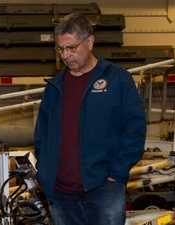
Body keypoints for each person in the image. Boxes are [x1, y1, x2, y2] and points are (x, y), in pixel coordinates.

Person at [34, 13, 146, 225]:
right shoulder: (55, 86)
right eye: (61, 49)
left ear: (90, 42)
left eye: (72, 48)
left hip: (103, 188)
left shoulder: (117, 79)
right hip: (60, 193)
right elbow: (42, 134)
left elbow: (134, 130)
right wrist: (45, 171)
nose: (66, 55)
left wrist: (116, 174)